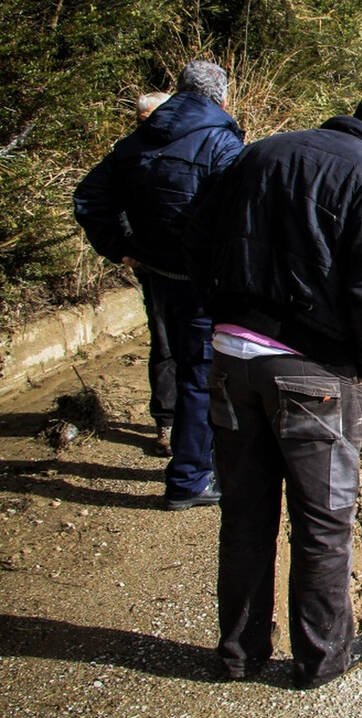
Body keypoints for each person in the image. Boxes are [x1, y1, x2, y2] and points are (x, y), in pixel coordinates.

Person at [183, 84, 362, 689]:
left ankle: (240, 654)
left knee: (244, 515)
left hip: (229, 356)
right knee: (322, 522)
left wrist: (219, 314)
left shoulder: (260, 153)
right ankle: (321, 658)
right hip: (312, 371)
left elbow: (196, 235)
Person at [74, 62, 244, 507]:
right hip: (204, 281)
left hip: (156, 274)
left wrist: (119, 246)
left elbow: (89, 197)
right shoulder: (221, 142)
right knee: (201, 374)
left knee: (173, 357)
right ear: (222, 100)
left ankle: (185, 457)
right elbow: (238, 216)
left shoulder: (134, 142)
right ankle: (190, 479)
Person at [133, 91, 175, 456]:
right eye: (142, 118)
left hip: (195, 268)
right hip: (154, 267)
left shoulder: (194, 145)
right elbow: (101, 198)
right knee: (164, 343)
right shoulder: (131, 152)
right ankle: (166, 422)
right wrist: (122, 246)